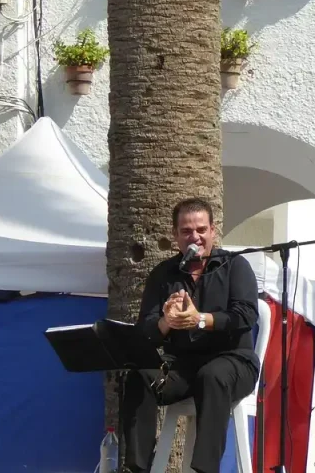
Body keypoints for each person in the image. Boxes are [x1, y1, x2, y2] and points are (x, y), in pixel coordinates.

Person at [120, 198, 259, 473]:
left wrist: (200, 320)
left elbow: (246, 315)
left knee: (213, 375)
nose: (195, 237)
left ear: (213, 231)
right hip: (182, 365)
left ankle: (203, 470)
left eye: (201, 229)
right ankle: (136, 467)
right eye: (186, 231)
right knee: (138, 375)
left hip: (233, 360)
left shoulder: (235, 266)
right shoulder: (163, 274)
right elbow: (145, 329)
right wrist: (166, 322)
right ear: (175, 235)